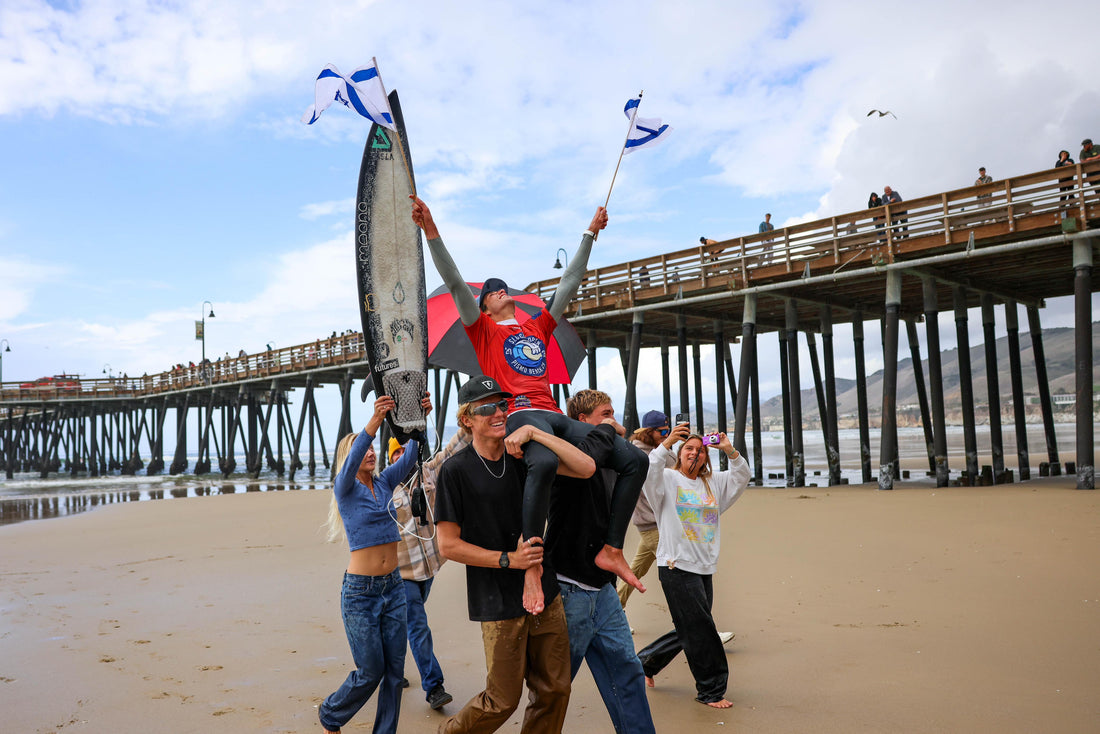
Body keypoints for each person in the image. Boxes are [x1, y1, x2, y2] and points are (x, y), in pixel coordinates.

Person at [411, 195, 648, 616]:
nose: (497, 289)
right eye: (489, 291)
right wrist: (431, 231)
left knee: (631, 459)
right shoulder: (482, 330)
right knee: (539, 465)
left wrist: (590, 233)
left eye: (501, 286)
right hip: (519, 411)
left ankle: (612, 549)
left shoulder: (537, 326)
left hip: (552, 413)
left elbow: (570, 282)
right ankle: (533, 566)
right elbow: (453, 281)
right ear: (483, 305)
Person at [434, 375, 595, 734]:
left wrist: (536, 434)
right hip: (497, 597)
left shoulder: (525, 457)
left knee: (554, 689)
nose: (498, 413)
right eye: (487, 408)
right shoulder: (455, 471)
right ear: (467, 419)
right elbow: (448, 545)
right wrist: (509, 559)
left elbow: (585, 468)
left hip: (545, 589)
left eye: (503, 405)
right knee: (502, 699)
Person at [318, 393, 433, 734]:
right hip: (361, 594)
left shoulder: (384, 484)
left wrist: (419, 419)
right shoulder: (345, 489)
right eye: (362, 449)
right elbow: (354, 457)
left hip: (393, 587)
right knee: (371, 670)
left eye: (371, 448)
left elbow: (412, 455)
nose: (370, 452)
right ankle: (331, 713)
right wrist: (374, 421)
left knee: (395, 673)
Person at [546, 390, 656, 734]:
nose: (612, 419)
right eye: (604, 413)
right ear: (581, 423)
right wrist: (609, 429)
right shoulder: (568, 457)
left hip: (603, 589)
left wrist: (613, 432)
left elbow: (640, 463)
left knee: (627, 670)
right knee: (555, 686)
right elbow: (587, 458)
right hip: (568, 588)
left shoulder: (614, 461)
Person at [635, 422, 751, 709]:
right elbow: (648, 471)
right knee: (701, 629)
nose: (695, 454)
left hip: (703, 566)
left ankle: (644, 663)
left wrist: (729, 450)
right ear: (679, 453)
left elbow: (742, 476)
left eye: (700, 451)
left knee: (692, 626)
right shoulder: (665, 480)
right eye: (689, 449)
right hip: (675, 566)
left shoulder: (713, 484)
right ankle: (711, 690)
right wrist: (666, 443)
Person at [388, 428, 470, 711]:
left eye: (403, 450)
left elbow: (453, 450)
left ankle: (391, 670)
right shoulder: (386, 488)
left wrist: (469, 420)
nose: (400, 456)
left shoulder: (428, 472)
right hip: (402, 574)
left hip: (429, 567)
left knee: (402, 624)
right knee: (417, 625)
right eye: (395, 453)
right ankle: (434, 687)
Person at [618, 410, 668, 609]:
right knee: (681, 575)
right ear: (650, 432)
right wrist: (667, 446)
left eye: (668, 431)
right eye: (663, 432)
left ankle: (610, 615)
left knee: (634, 571)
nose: (666, 435)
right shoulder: (642, 456)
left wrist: (666, 444)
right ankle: (699, 629)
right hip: (652, 523)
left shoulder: (656, 450)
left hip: (655, 521)